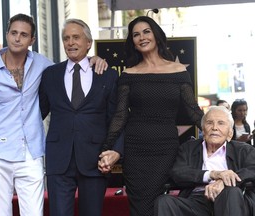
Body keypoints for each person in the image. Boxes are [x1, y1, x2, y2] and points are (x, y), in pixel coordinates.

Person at [0, 13, 107, 216]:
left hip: (31, 154)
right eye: (13, 33)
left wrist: (93, 59)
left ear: (32, 40)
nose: (17, 38)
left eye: (23, 34)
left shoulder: (44, 66)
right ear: (7, 35)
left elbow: (71, 68)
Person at [98, 16, 204, 216]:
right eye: (136, 34)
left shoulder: (179, 71)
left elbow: (193, 112)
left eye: (146, 31)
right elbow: (120, 116)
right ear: (133, 42)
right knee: (140, 208)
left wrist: (216, 126)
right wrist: (107, 149)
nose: (142, 37)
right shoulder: (128, 75)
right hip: (135, 152)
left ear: (156, 34)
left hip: (167, 150)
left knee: (162, 206)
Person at [39, 18, 123, 216]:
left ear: (88, 43)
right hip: (59, 161)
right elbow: (37, 114)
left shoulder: (107, 75)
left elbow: (117, 119)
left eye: (76, 37)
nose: (70, 42)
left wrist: (116, 151)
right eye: (66, 38)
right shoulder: (50, 75)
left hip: (95, 160)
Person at [154, 106, 255, 216]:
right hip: (197, 201)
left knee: (231, 191)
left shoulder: (243, 150)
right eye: (209, 123)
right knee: (164, 201)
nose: (214, 127)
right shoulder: (188, 148)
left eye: (221, 123)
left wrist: (224, 182)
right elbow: (178, 172)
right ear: (203, 129)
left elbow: (252, 169)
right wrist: (212, 174)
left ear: (230, 133)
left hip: (229, 199)